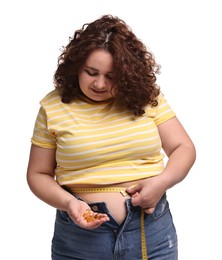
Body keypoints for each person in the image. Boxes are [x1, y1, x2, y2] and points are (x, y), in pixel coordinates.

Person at [26, 14, 196, 260]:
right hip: (80, 238)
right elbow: (37, 174)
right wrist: (69, 204)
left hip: (150, 229)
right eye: (91, 72)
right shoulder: (53, 107)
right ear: (76, 66)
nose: (100, 84)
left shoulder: (147, 98)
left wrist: (162, 183)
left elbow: (184, 147)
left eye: (112, 76)